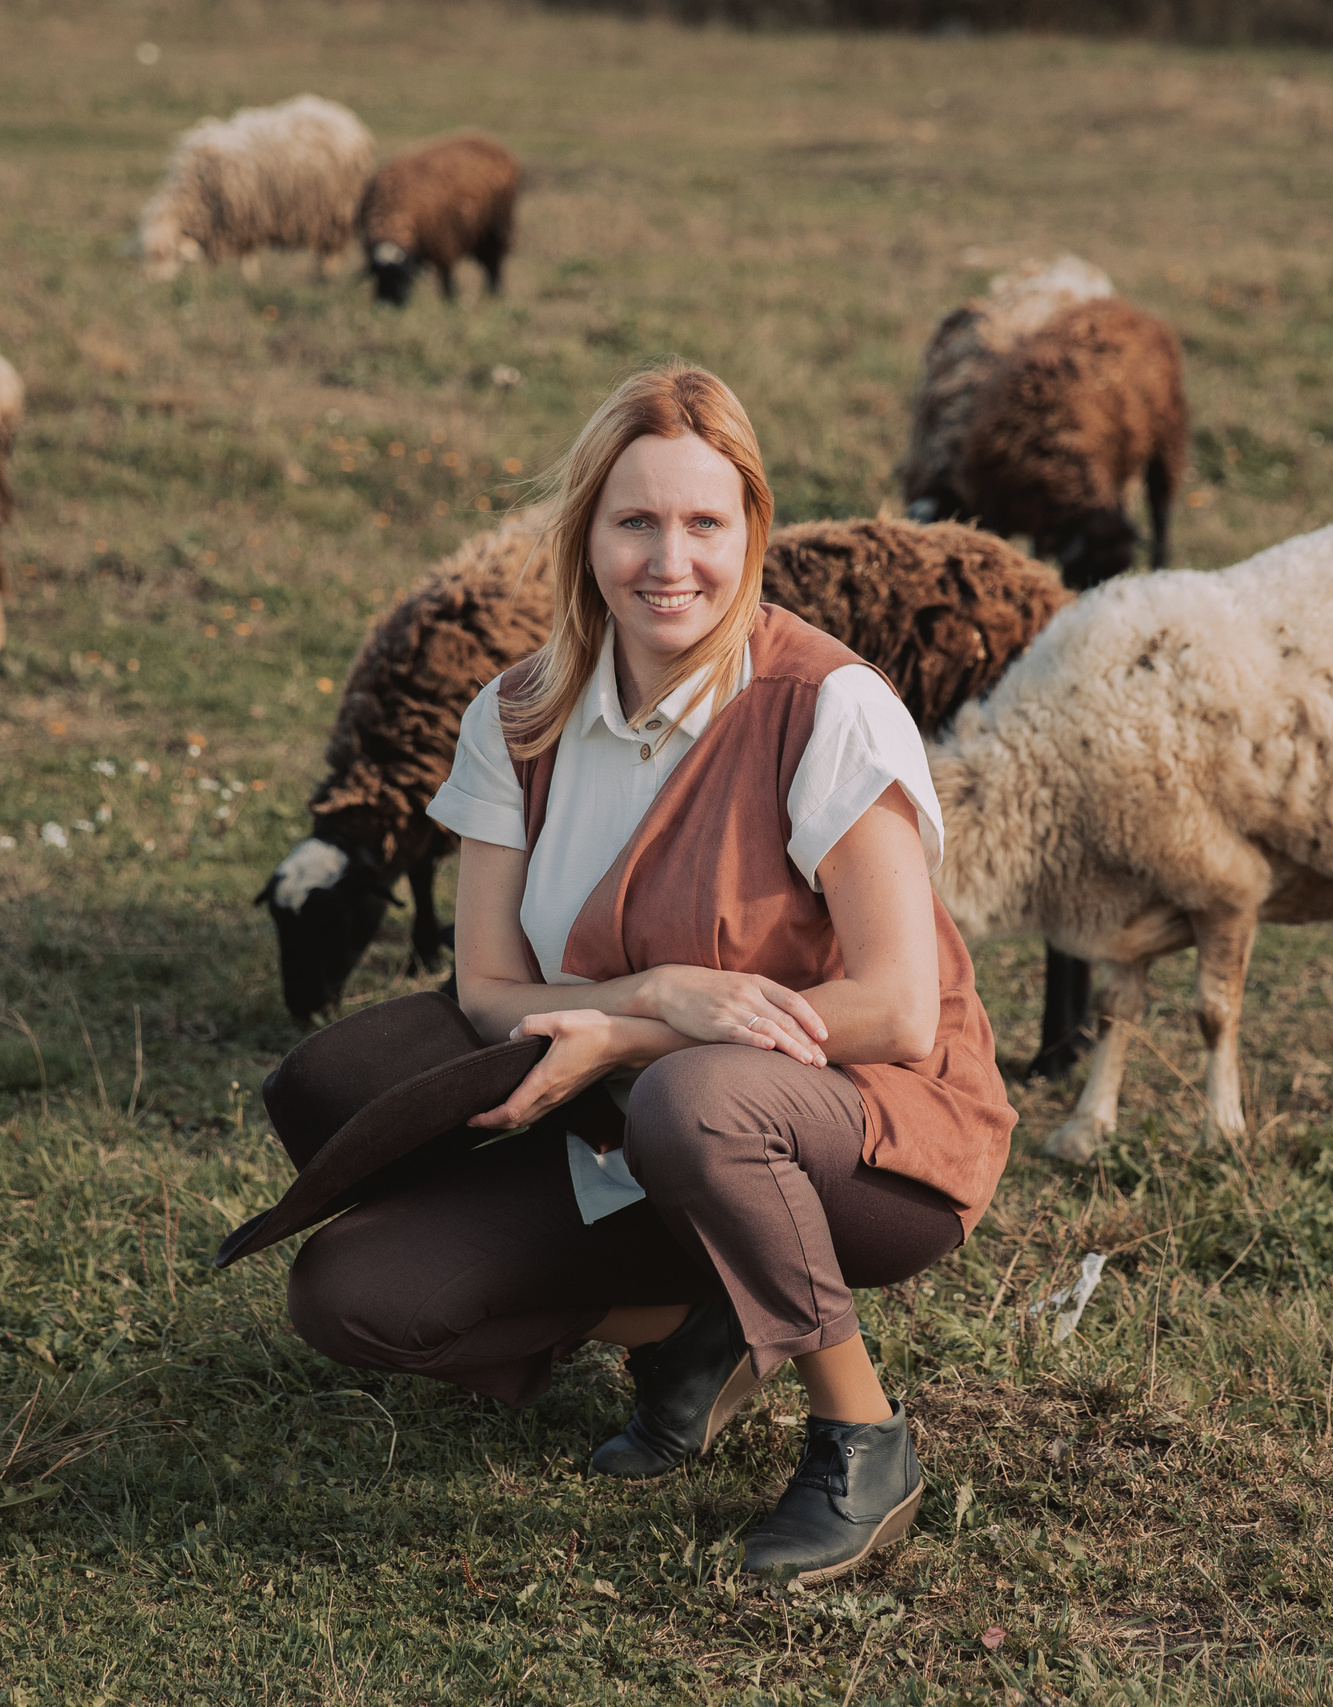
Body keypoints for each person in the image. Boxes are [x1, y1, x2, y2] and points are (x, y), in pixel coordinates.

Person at [281, 361, 1016, 1587]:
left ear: (750, 533)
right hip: (630, 1134)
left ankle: (863, 1440)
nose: (669, 561)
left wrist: (634, 1043)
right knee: (351, 1294)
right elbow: (490, 993)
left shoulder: (825, 707)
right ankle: (700, 1322)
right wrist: (656, 996)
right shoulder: (516, 714)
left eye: (703, 524)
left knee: (698, 1100)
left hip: (867, 1131)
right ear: (585, 537)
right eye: (634, 522)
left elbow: (895, 1010)